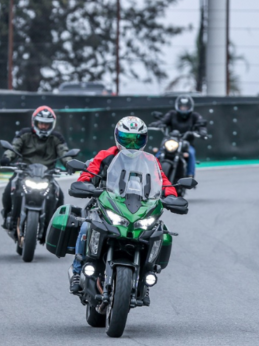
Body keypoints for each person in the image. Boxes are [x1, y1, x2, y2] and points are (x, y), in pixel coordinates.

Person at [69, 116, 179, 292]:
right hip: (107, 203)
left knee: (157, 230)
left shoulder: (150, 161)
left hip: (139, 207)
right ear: (117, 137)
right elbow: (89, 172)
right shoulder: (105, 155)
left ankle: (146, 273)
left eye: (137, 140)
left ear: (144, 140)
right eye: (127, 139)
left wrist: (172, 196)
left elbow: (163, 181)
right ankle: (77, 270)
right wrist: (86, 184)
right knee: (85, 227)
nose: (131, 144)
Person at [0, 106, 71, 230]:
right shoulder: (24, 134)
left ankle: (54, 227)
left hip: (47, 175)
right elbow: (14, 147)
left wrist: (69, 164)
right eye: (41, 123)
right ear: (35, 122)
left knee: (60, 196)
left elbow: (64, 152)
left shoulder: (56, 138)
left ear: (52, 125)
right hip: (24, 172)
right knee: (9, 189)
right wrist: (7, 157)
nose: (43, 126)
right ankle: (7, 215)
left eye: (47, 124)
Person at [149, 95, 207, 177]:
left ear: (190, 107)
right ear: (178, 106)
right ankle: (152, 173)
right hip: (171, 140)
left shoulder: (195, 116)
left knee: (191, 152)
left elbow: (201, 124)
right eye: (182, 107)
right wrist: (158, 124)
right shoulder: (172, 114)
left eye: (186, 107)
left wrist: (202, 131)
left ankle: (190, 175)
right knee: (160, 152)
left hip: (187, 143)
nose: (184, 109)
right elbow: (164, 120)